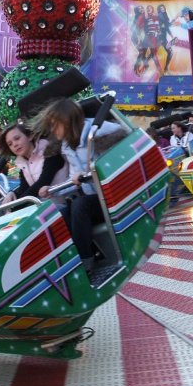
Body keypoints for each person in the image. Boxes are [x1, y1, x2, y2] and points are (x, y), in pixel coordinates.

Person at [31, 98, 125, 275]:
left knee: (80, 205)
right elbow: (73, 178)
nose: (52, 130)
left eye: (55, 124)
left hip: (113, 194)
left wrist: (87, 175)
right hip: (96, 197)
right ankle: (71, 260)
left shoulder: (97, 132)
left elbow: (112, 165)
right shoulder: (67, 145)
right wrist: (52, 190)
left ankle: (86, 261)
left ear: (67, 120)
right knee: (61, 214)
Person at [0, 122, 68, 204]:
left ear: (30, 136)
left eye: (17, 138)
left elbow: (42, 183)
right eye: (10, 144)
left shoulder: (50, 151)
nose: (15, 145)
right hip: (47, 206)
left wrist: (15, 206)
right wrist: (12, 194)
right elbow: (25, 187)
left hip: (66, 202)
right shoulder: (22, 163)